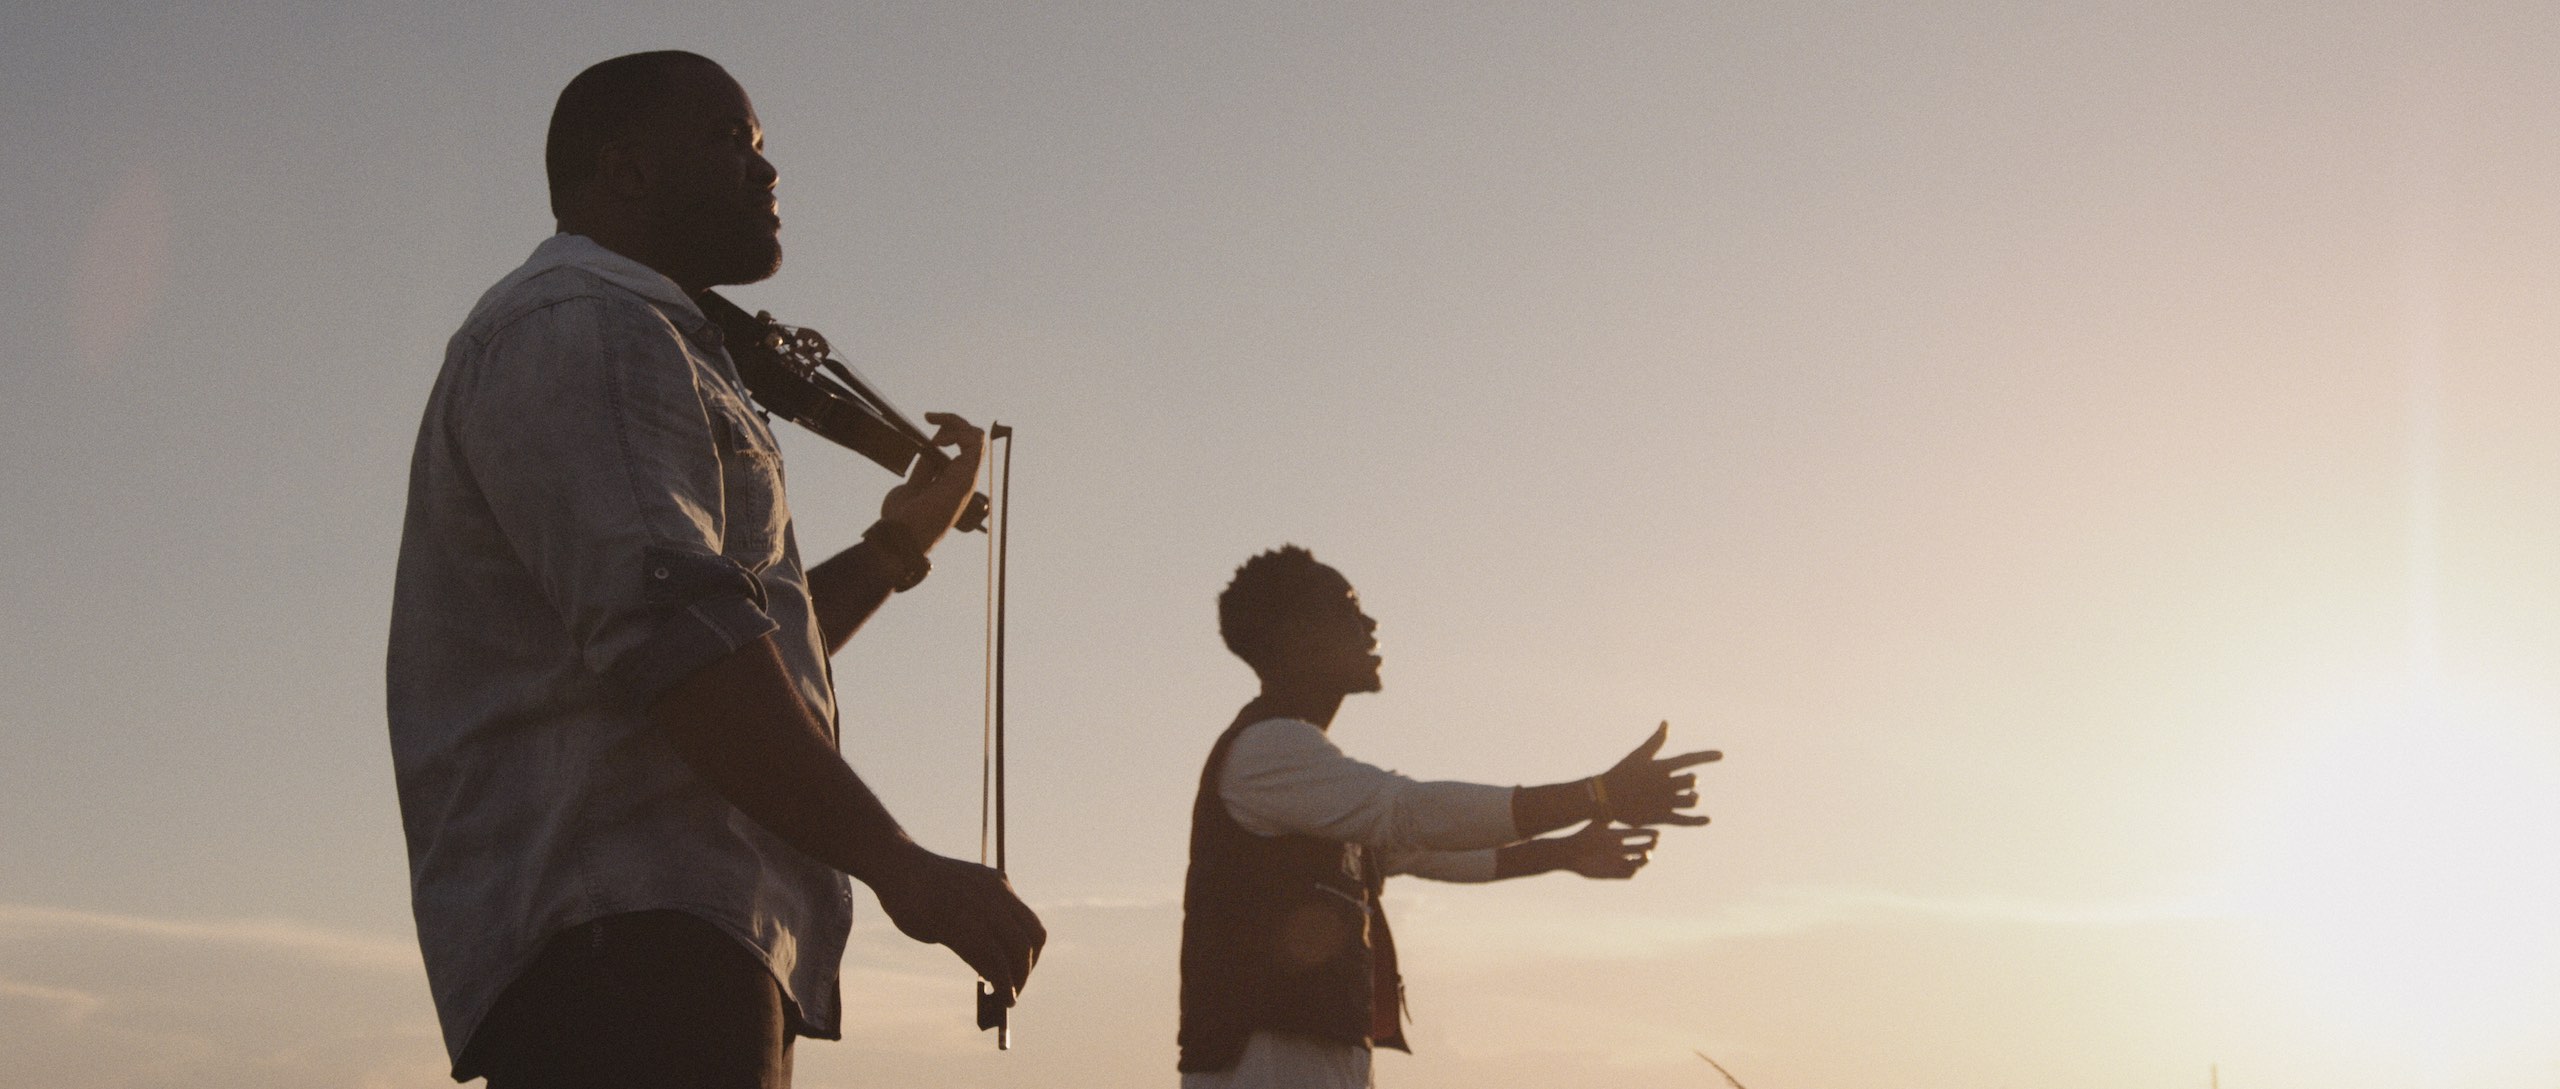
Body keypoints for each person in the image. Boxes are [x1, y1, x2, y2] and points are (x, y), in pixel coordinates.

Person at [387, 51, 1043, 1088]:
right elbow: (682, 650)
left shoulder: (642, 340)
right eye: (732, 143)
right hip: (627, 955)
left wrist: (895, 547)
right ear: (627, 170)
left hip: (676, 946)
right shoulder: (586, 326)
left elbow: (731, 643)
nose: (766, 173)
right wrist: (901, 866)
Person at [1178, 545, 1722, 1087]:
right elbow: (1412, 813)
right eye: (1346, 606)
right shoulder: (1268, 750)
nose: (1369, 622)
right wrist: (1597, 795)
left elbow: (1431, 849)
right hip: (1265, 1065)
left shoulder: (1310, 778)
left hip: (1323, 1057)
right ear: (1295, 634)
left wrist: (1565, 851)